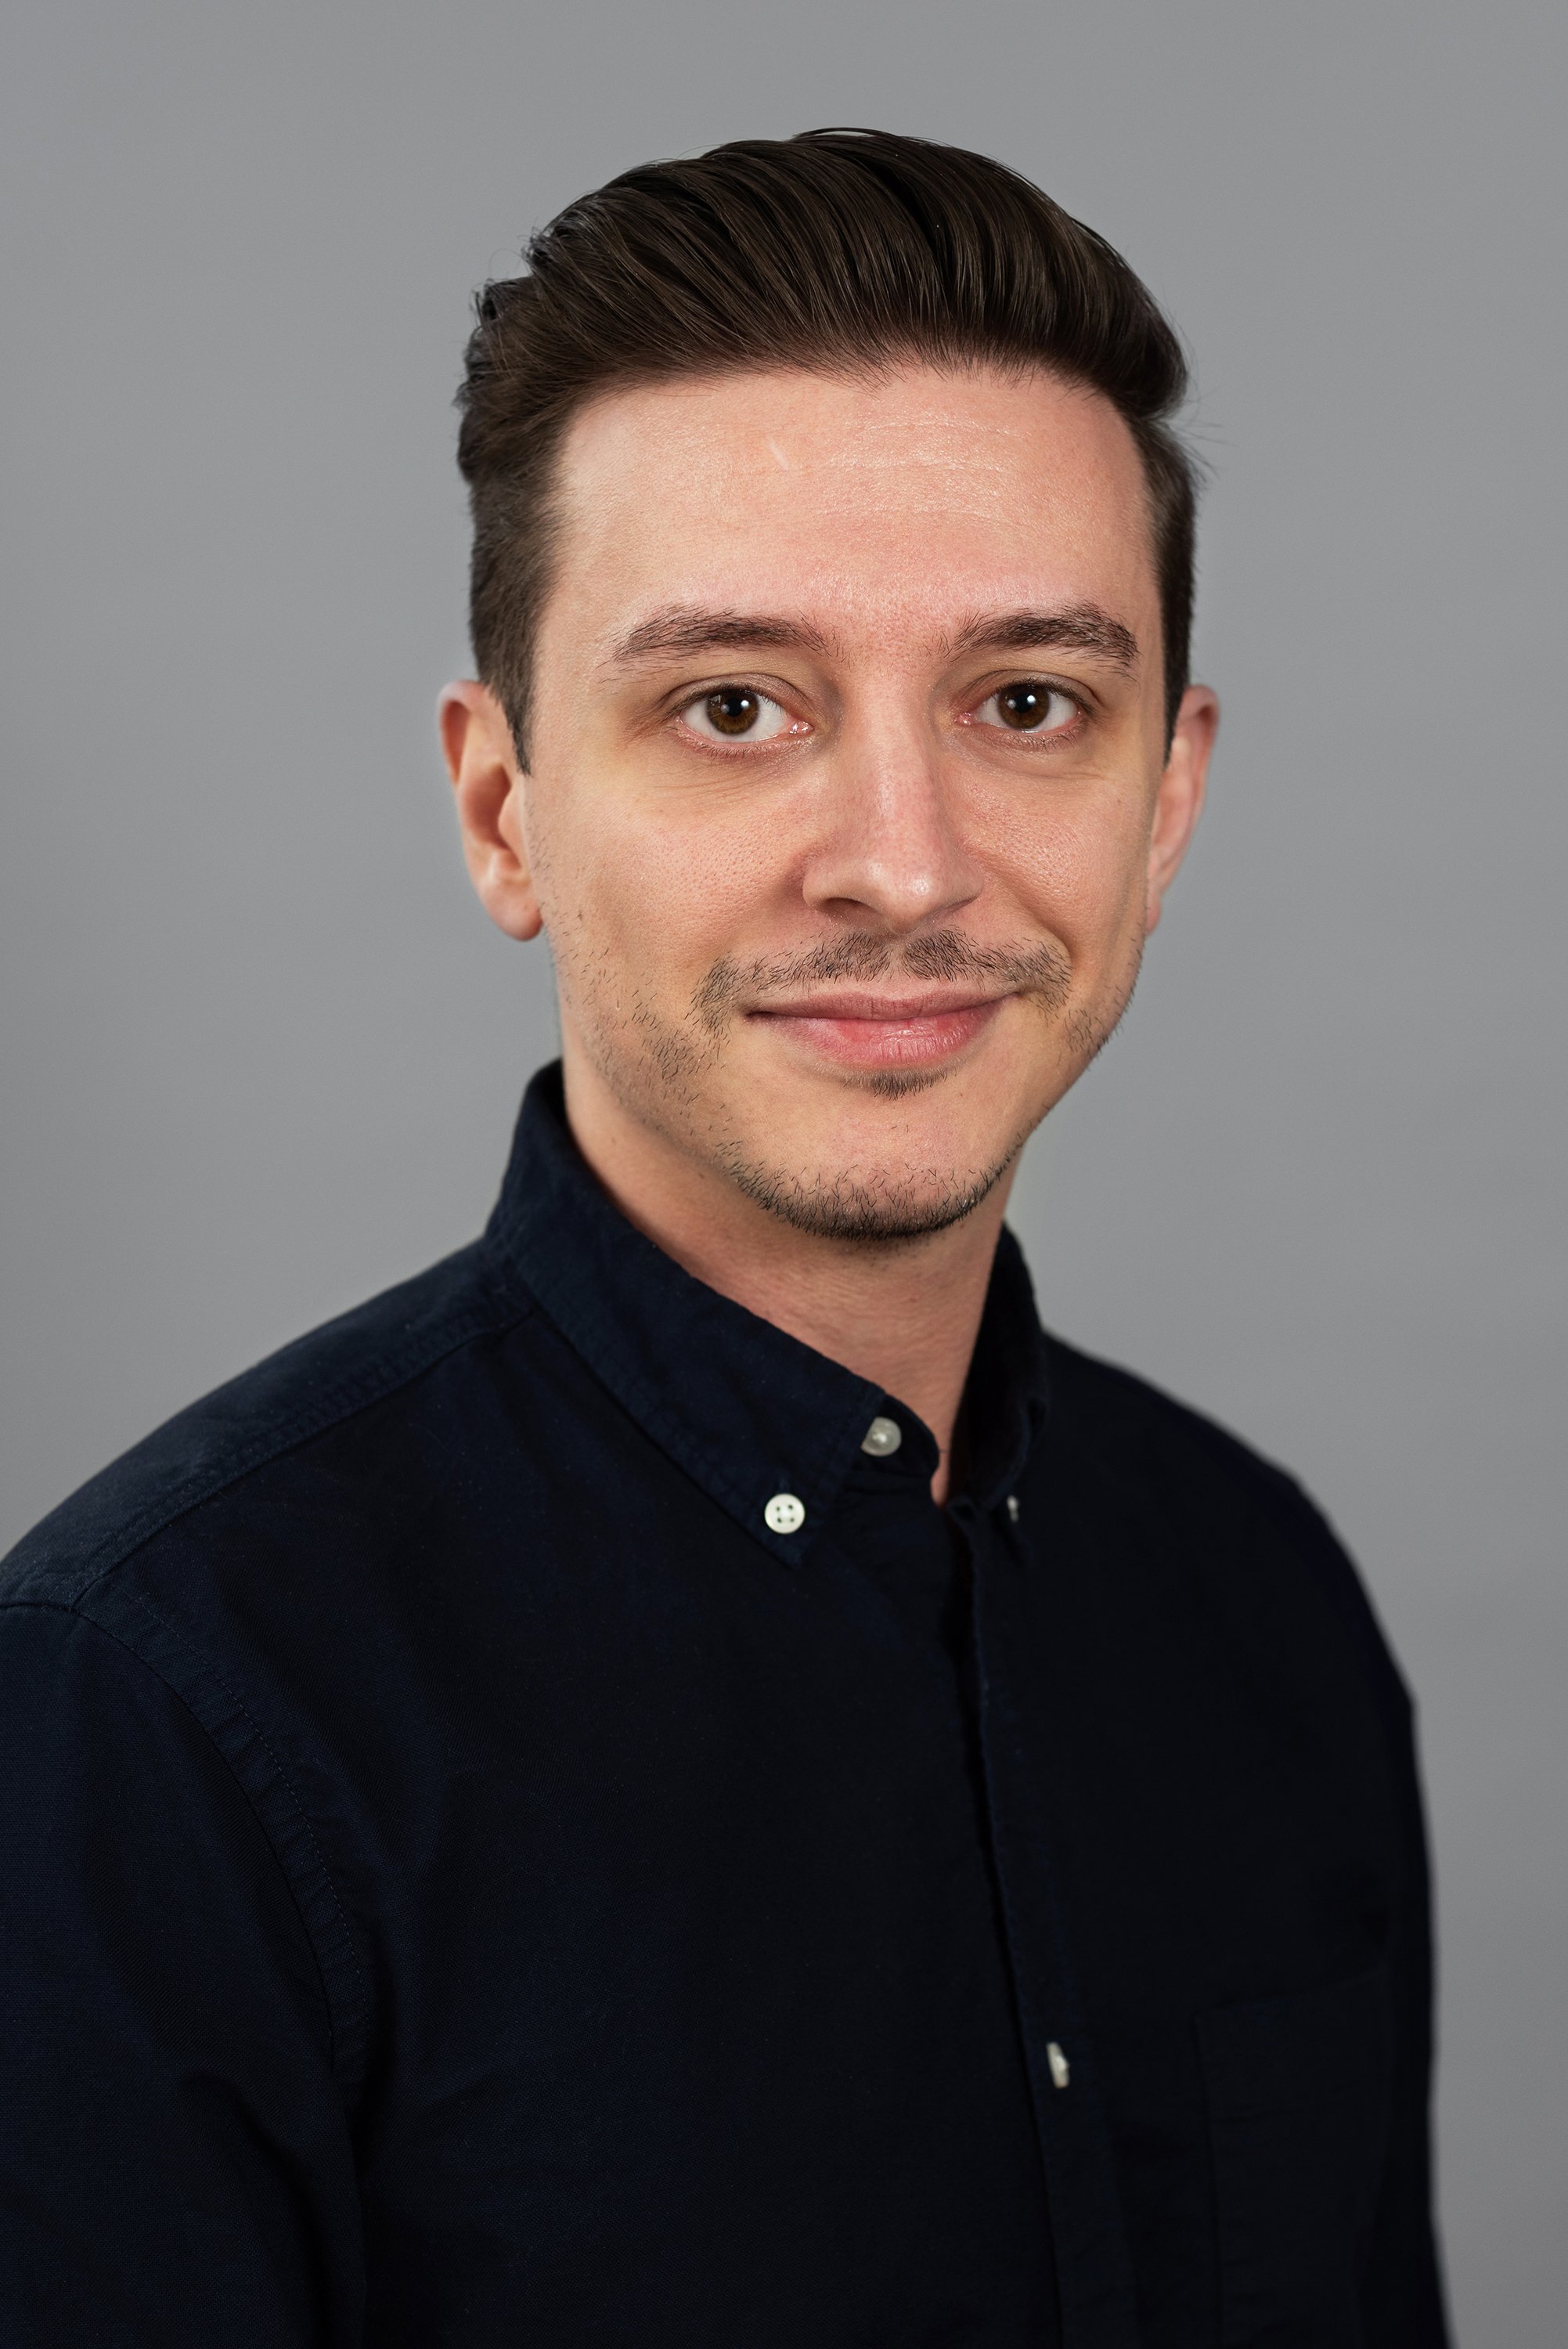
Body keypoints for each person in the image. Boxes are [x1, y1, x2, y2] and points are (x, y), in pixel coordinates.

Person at [0, 130, 1448, 2346]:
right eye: (734, 707)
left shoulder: (1258, 1600)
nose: (897, 863)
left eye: (1028, 703)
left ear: (1164, 804)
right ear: (507, 812)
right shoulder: (147, 1716)